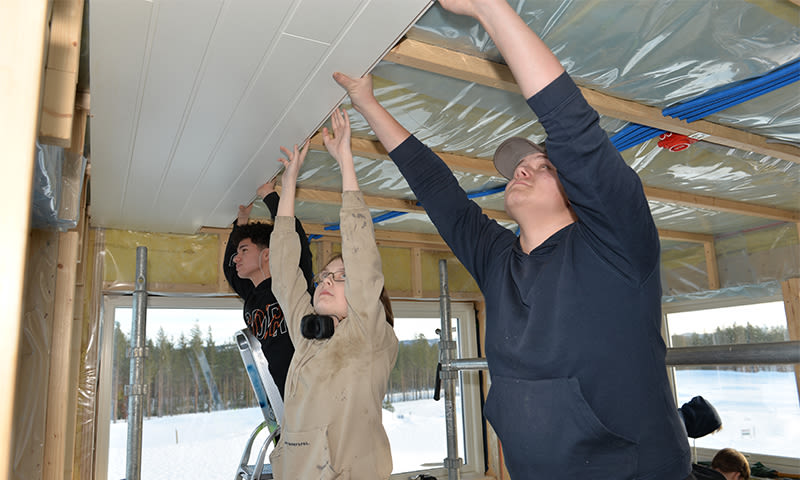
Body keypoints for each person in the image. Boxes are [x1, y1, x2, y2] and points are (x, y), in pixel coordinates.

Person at [332, 0, 691, 477]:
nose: (524, 167)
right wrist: (367, 103)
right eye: (522, 165)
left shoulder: (617, 246)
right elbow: (437, 190)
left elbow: (574, 129)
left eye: (544, 166)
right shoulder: (498, 261)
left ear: (580, 190)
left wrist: (488, 9)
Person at [268, 108, 399, 479]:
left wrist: (345, 161)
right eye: (324, 275)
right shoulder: (309, 337)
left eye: (339, 277)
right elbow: (283, 272)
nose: (325, 280)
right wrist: (288, 183)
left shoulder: (371, 338)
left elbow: (361, 255)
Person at [223, 178, 314, 399]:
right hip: (288, 394)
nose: (237, 259)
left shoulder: (292, 281)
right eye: (238, 252)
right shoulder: (251, 294)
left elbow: (295, 238)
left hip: (315, 386)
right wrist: (241, 223)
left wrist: (269, 195)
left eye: (244, 250)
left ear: (267, 254)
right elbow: (229, 268)